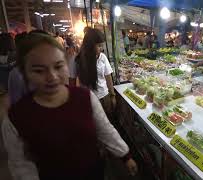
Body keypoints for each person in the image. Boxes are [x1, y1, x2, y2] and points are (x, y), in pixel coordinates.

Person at [2, 32, 138, 180]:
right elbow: (21, 165)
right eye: (39, 70)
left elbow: (105, 130)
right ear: (25, 73)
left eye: (58, 66)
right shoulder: (16, 118)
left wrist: (125, 155)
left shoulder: (85, 98)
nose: (52, 76)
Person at [76, 28, 116, 119]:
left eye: (102, 45)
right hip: (89, 100)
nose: (101, 48)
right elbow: (77, 83)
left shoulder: (102, 57)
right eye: (99, 46)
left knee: (107, 121)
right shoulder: (80, 60)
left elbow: (108, 77)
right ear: (90, 45)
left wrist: (112, 95)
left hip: (104, 97)